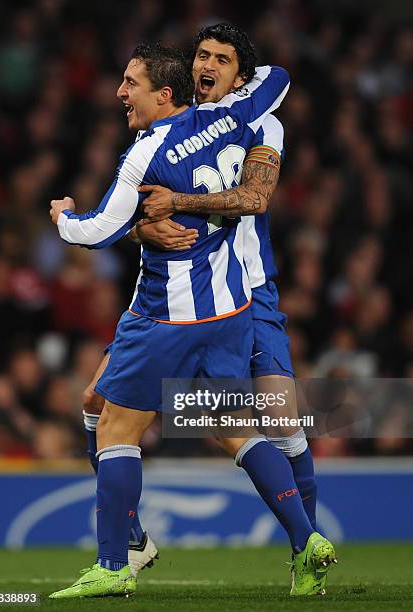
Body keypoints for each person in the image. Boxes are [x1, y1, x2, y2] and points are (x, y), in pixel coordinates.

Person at [49, 36, 333, 601]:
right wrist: (144, 226)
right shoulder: (233, 116)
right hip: (226, 307)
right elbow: (277, 78)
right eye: (201, 55)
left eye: (222, 59)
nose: (119, 93)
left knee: (118, 426)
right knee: (218, 426)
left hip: (180, 311)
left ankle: (116, 558)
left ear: (163, 91)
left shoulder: (170, 146)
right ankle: (307, 539)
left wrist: (64, 216)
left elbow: (251, 199)